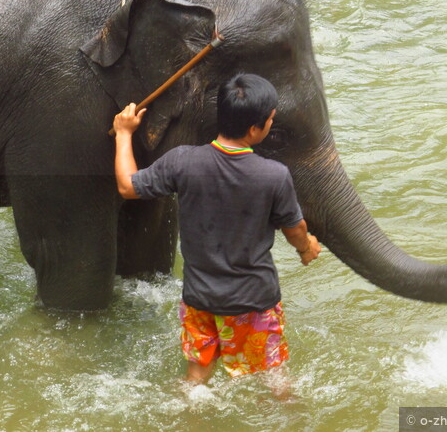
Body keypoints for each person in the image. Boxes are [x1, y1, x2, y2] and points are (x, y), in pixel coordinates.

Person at [113, 73, 321, 385]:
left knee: (196, 378)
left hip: (200, 300)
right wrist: (307, 248)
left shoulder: (183, 161)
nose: (271, 124)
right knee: (275, 379)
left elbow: (127, 186)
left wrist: (123, 134)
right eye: (270, 120)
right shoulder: (273, 176)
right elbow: (295, 229)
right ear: (255, 129)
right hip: (252, 302)